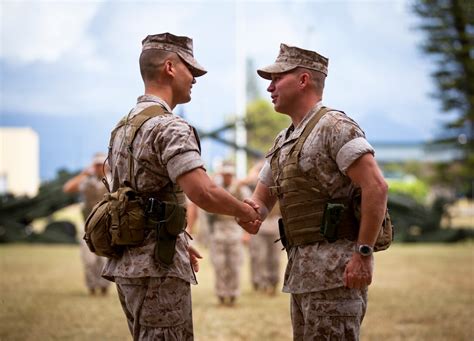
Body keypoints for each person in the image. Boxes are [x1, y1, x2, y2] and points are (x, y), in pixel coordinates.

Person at [101, 32, 260, 341]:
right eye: (191, 70)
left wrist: (179, 238)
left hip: (129, 260)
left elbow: (134, 197)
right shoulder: (170, 126)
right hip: (157, 265)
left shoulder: (123, 126)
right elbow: (202, 191)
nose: (196, 79)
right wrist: (243, 211)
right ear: (170, 68)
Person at [239, 43, 388, 340]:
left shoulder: (335, 127)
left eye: (277, 78)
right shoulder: (283, 140)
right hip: (302, 276)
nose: (269, 87)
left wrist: (364, 253)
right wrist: (243, 211)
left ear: (304, 80)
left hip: (337, 275)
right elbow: (260, 200)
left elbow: (376, 186)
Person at [63, 152, 111, 296]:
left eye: (101, 164)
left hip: (107, 225)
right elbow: (68, 188)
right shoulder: (86, 181)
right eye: (96, 165)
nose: (99, 168)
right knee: (89, 259)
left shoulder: (113, 180)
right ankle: (92, 287)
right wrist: (83, 174)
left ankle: (104, 287)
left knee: (104, 260)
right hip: (88, 225)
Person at [207, 162, 250, 306]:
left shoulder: (239, 189)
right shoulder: (215, 188)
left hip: (234, 227)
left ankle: (233, 293)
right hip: (219, 228)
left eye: (230, 174)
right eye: (225, 174)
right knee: (219, 264)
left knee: (234, 264)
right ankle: (221, 293)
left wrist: (246, 233)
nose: (227, 177)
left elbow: (248, 208)